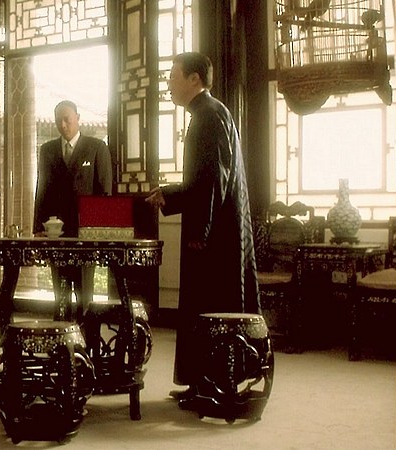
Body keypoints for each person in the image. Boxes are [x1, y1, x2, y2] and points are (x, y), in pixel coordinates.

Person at [145, 52, 260, 409]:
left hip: (215, 233)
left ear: (194, 79)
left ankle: (213, 386)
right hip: (216, 225)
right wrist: (171, 194)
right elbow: (205, 179)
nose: (168, 84)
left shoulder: (208, 115)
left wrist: (202, 230)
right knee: (202, 307)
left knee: (211, 308)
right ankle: (201, 382)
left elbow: (213, 180)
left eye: (173, 76)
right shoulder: (209, 113)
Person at [33, 100, 113, 319]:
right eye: (58, 120)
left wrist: (99, 229)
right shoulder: (47, 150)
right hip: (55, 229)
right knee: (59, 288)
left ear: (78, 118)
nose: (63, 124)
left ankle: (87, 329)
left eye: (67, 119)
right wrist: (38, 225)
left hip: (84, 230)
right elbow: (42, 189)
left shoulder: (96, 147)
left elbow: (104, 191)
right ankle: (60, 327)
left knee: (84, 288)